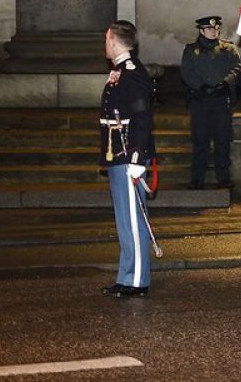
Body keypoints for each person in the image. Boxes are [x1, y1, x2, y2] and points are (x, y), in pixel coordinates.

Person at [100, 20, 154, 298]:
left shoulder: (131, 72)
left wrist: (136, 157)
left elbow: (142, 117)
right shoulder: (120, 71)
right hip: (116, 153)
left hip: (126, 153)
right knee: (124, 219)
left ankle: (137, 280)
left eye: (107, 39)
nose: (104, 44)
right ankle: (126, 276)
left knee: (133, 220)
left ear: (114, 40)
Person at [181, 16, 241, 189]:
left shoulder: (228, 49)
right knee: (200, 140)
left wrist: (225, 83)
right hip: (200, 100)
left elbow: (238, 68)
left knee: (222, 139)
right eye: (209, 29)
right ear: (201, 30)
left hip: (221, 100)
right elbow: (187, 72)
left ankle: (223, 177)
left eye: (215, 29)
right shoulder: (191, 50)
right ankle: (197, 178)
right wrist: (200, 87)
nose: (213, 31)